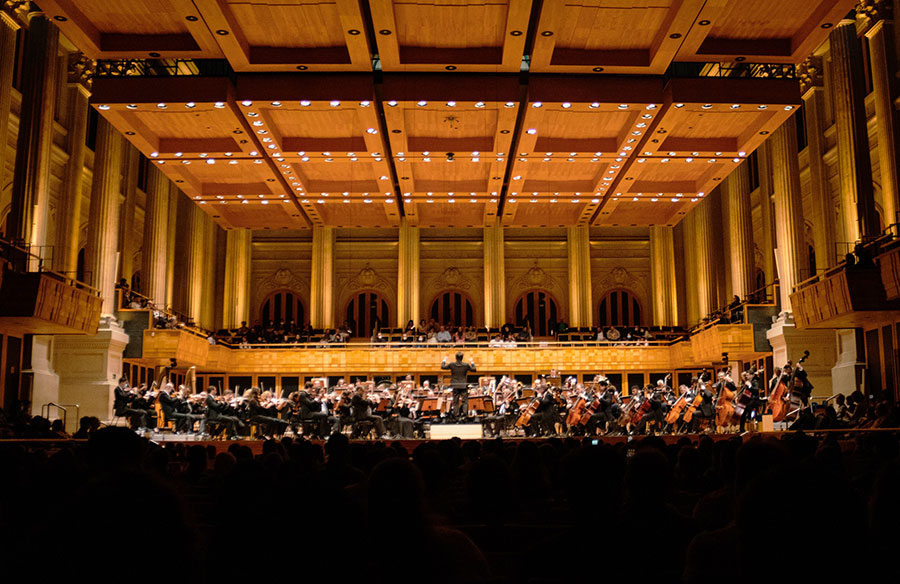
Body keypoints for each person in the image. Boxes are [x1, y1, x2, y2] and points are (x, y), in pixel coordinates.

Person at [442, 352, 476, 421]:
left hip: (455, 385)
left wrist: (444, 360)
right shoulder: (466, 365)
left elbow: (442, 367)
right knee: (465, 401)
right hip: (463, 385)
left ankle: (456, 416)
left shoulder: (452, 364)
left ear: (456, 357)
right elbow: (474, 369)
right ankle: (464, 416)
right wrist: (472, 362)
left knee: (456, 402)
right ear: (462, 357)